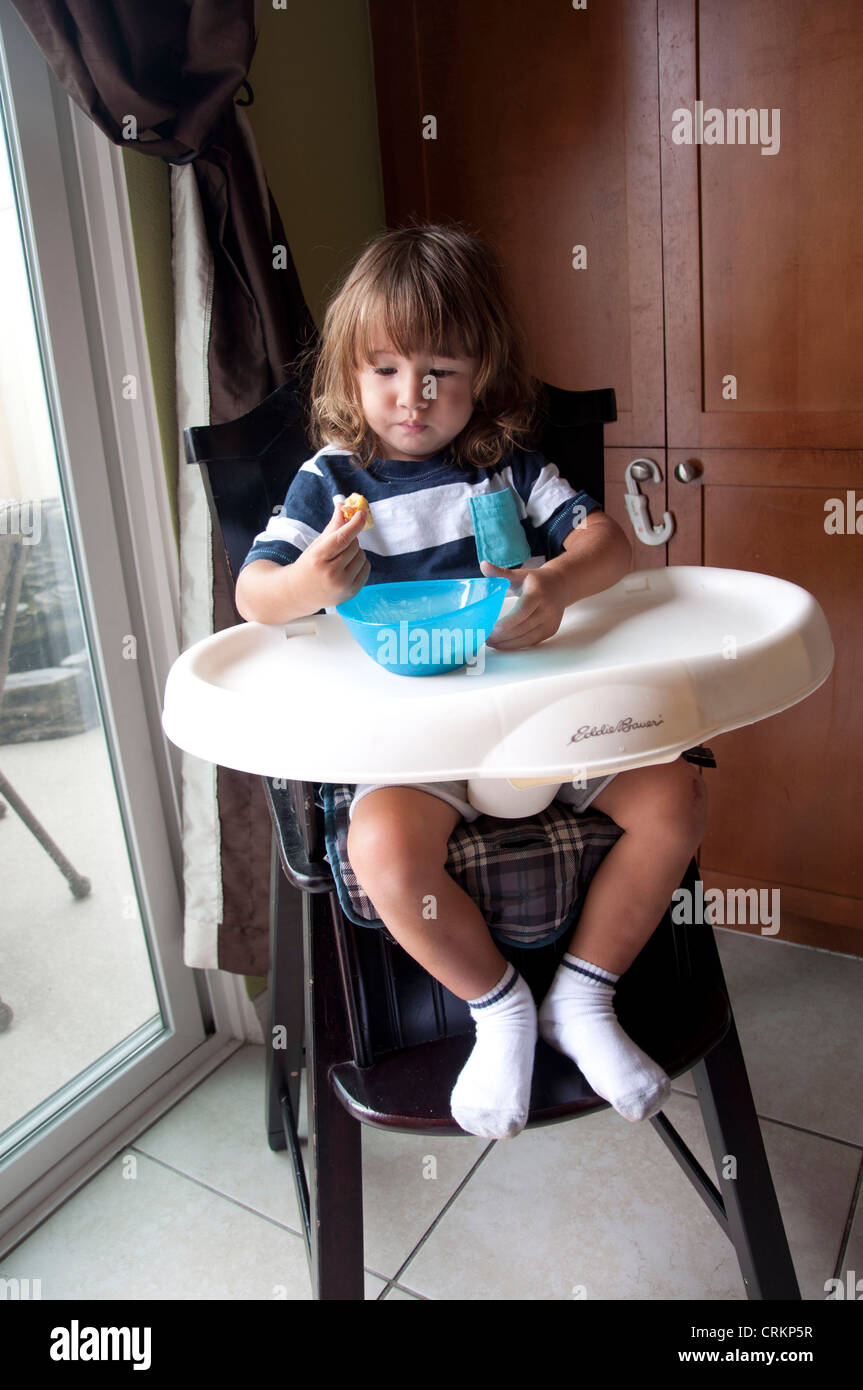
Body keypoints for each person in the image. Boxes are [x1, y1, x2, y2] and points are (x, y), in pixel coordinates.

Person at [235, 222, 708, 1140]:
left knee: (673, 797)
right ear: (351, 374)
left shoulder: (503, 469)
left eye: (439, 372)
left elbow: (605, 540)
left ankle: (582, 996)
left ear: (480, 374)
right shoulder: (330, 486)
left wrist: (557, 585)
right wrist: (309, 583)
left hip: (538, 721)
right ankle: (501, 1009)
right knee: (380, 849)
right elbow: (255, 596)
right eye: (385, 370)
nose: (411, 397)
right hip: (419, 748)